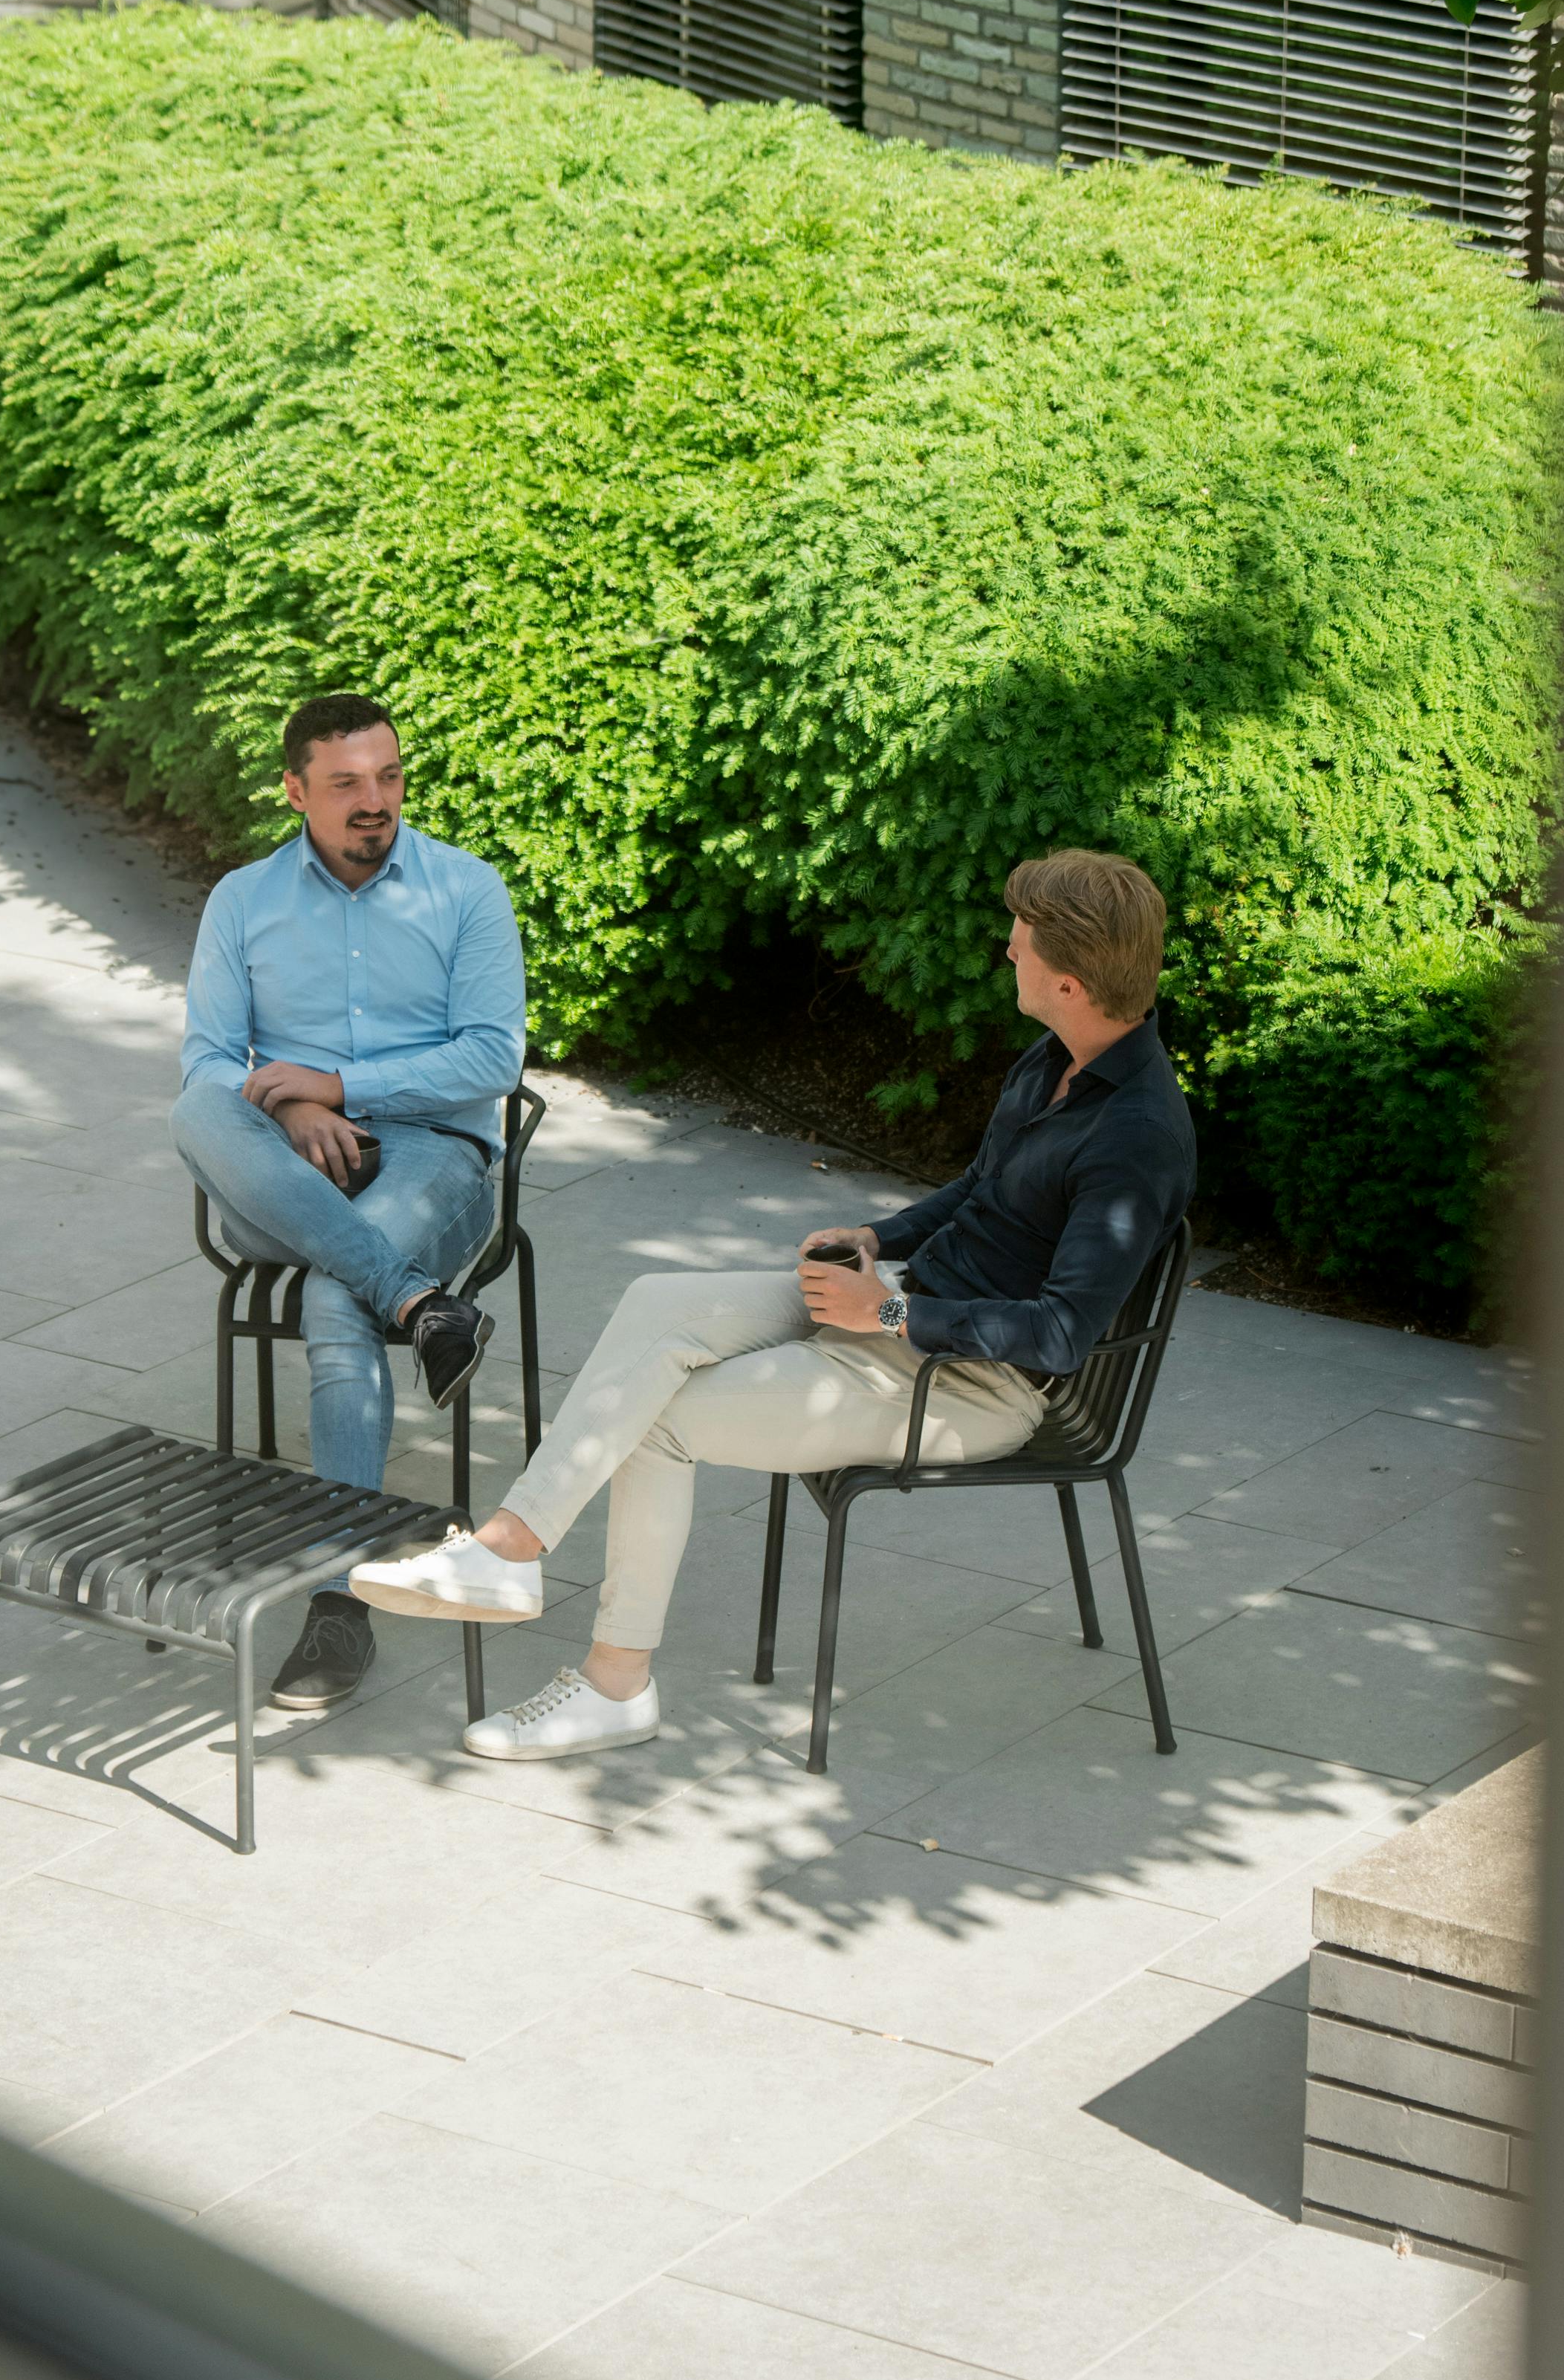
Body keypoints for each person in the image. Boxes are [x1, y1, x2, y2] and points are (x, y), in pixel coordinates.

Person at [352, 847, 1194, 1759]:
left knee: (658, 1420)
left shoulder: (1136, 1136)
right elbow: (982, 1190)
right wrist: (882, 1239)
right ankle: (513, 1547)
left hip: (970, 1385)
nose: (1007, 952)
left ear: (1068, 983)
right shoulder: (1056, 1058)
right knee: (655, 1301)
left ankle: (614, 1686)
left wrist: (890, 1316)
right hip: (904, 1307)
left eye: (1020, 944)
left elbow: (1063, 1336)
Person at [174, 693, 528, 1712]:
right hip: (282, 1163)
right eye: (345, 785)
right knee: (198, 1108)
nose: (375, 802)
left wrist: (337, 1087)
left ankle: (340, 1605)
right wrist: (291, 1119)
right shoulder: (242, 900)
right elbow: (210, 1061)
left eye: (389, 778)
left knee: (336, 1301)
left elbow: (492, 1057)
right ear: (294, 792)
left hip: (433, 1154)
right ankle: (423, 1304)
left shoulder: (466, 890)